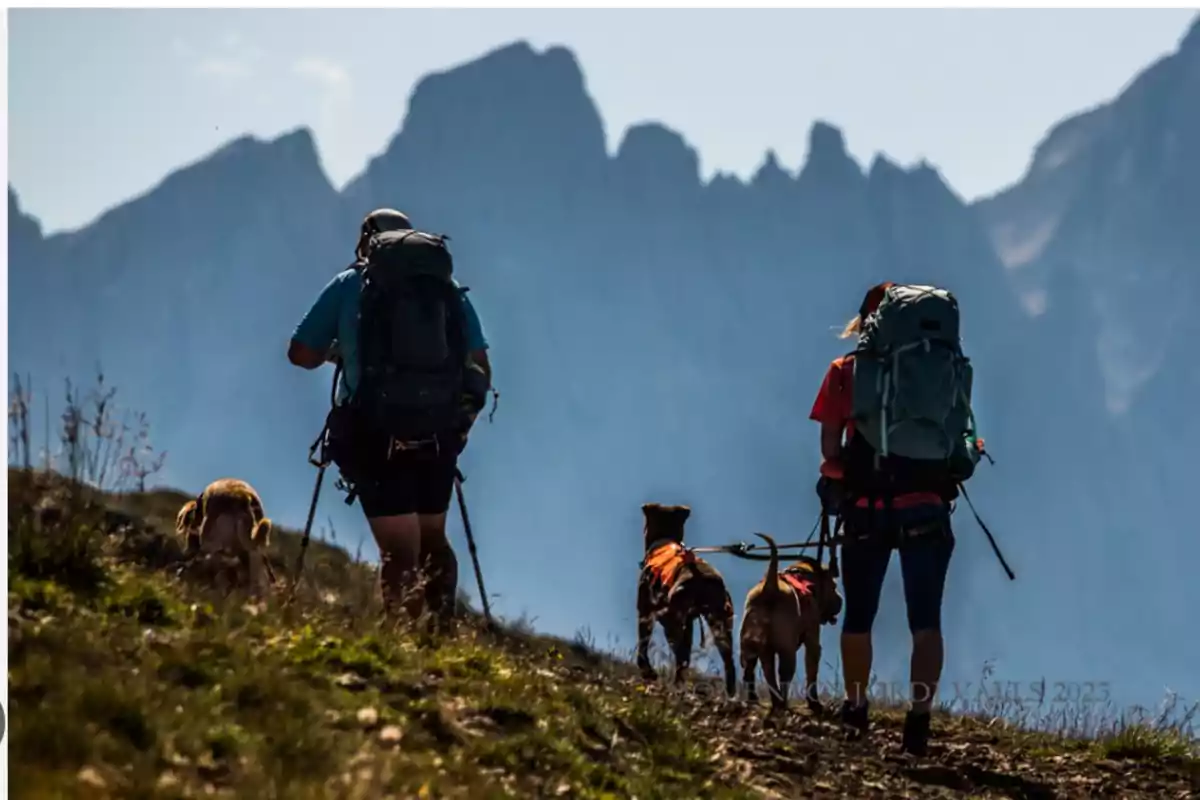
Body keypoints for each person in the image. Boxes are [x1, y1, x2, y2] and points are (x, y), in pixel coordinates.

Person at [288, 208, 491, 629]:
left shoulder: (350, 285)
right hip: (438, 434)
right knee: (434, 540)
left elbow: (300, 352)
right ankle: (441, 631)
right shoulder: (447, 290)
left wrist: (339, 351)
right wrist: (460, 425)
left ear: (366, 241)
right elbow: (479, 365)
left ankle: (403, 641)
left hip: (373, 434)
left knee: (398, 549)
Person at [809, 281, 965, 756]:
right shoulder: (946, 372)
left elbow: (830, 456)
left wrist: (846, 474)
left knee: (858, 617)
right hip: (928, 509)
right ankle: (918, 725)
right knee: (927, 622)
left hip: (866, 511)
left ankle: (856, 713)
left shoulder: (845, 371)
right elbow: (959, 438)